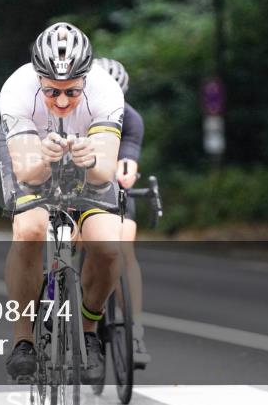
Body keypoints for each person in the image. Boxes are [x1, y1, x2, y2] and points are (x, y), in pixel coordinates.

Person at [0, 23, 124, 383]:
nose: (63, 101)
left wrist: (91, 161)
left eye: (72, 91)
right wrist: (45, 159)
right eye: (52, 91)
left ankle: (88, 330)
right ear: (38, 79)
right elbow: (27, 172)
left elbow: (104, 173)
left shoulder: (106, 90)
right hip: (32, 157)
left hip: (88, 159)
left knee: (108, 243)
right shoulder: (17, 89)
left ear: (87, 79)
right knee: (30, 228)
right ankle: (23, 339)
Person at [94, 57, 151, 368]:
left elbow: (127, 163)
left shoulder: (131, 119)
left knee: (124, 248)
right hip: (74, 190)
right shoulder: (73, 112)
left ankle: (134, 329)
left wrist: (125, 174)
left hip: (112, 190)